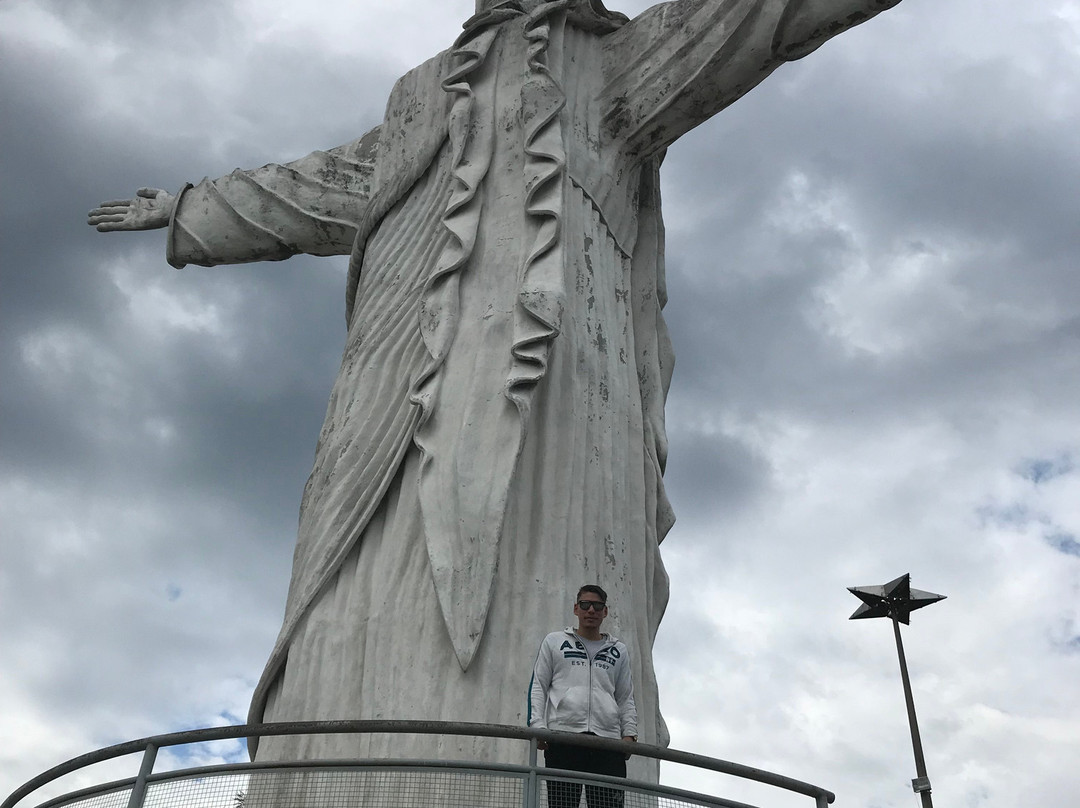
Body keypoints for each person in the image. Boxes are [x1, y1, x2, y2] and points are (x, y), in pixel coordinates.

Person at [87, 0, 905, 775]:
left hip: (552, 381)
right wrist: (193, 207)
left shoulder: (605, 63)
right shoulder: (422, 94)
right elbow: (318, 187)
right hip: (384, 383)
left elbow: (747, 18)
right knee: (346, 608)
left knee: (528, 571)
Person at [529, 585, 636, 808]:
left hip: (607, 741)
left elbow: (625, 695)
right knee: (563, 804)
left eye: (597, 606)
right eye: (585, 605)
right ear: (576, 609)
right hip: (564, 737)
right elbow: (539, 685)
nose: (591, 611)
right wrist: (537, 725)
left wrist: (630, 735)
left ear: (605, 612)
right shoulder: (554, 641)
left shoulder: (618, 650)